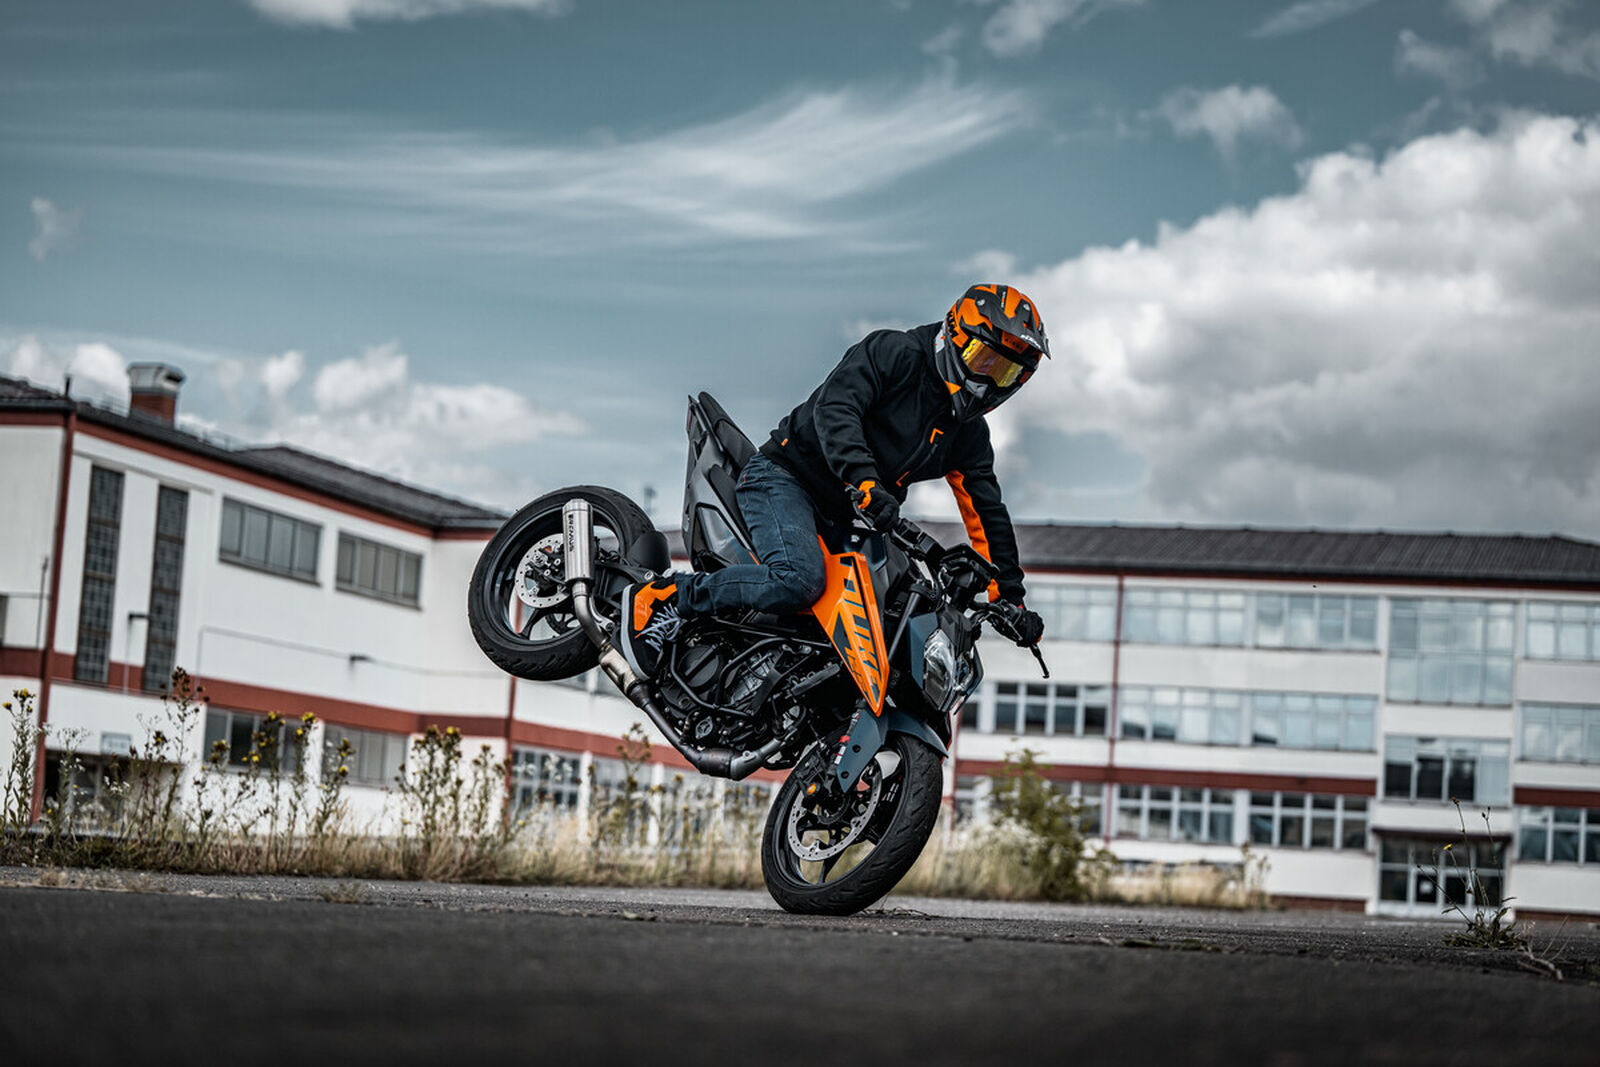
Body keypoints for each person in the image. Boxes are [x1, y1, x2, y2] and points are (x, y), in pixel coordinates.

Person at [620, 283, 1049, 680]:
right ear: (955, 334)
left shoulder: (968, 435)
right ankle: (667, 598)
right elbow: (837, 409)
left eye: (1004, 373)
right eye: (983, 359)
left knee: (884, 617)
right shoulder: (894, 353)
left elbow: (987, 513)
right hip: (785, 478)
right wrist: (865, 480)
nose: (987, 381)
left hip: (845, 516)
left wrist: (1009, 598)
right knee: (798, 580)